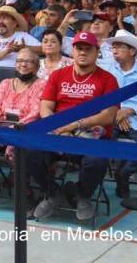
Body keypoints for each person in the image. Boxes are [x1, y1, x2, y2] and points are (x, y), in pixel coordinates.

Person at [27, 31, 119, 221]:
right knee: (28, 151)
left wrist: (74, 125)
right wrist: (57, 127)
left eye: (88, 49)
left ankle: (82, 194)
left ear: (96, 52)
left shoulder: (108, 79)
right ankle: (52, 192)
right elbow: (45, 106)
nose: (83, 53)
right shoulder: (58, 75)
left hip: (91, 132)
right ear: (73, 51)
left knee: (97, 160)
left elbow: (108, 116)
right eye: (79, 48)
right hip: (58, 131)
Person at [99, 30, 137, 198]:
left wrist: (129, 111)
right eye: (113, 47)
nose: (114, 51)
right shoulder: (106, 70)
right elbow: (98, 97)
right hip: (111, 117)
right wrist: (117, 111)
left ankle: (123, 174)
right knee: (98, 143)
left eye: (119, 47)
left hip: (136, 119)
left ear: (132, 51)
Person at [0, 47, 46, 175]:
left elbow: (34, 115)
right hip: (0, 127)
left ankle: (22, 184)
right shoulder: (5, 83)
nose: (23, 64)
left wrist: (9, 131)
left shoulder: (42, 84)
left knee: (14, 148)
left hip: (25, 129)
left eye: (28, 61)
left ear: (37, 66)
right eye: (19, 61)